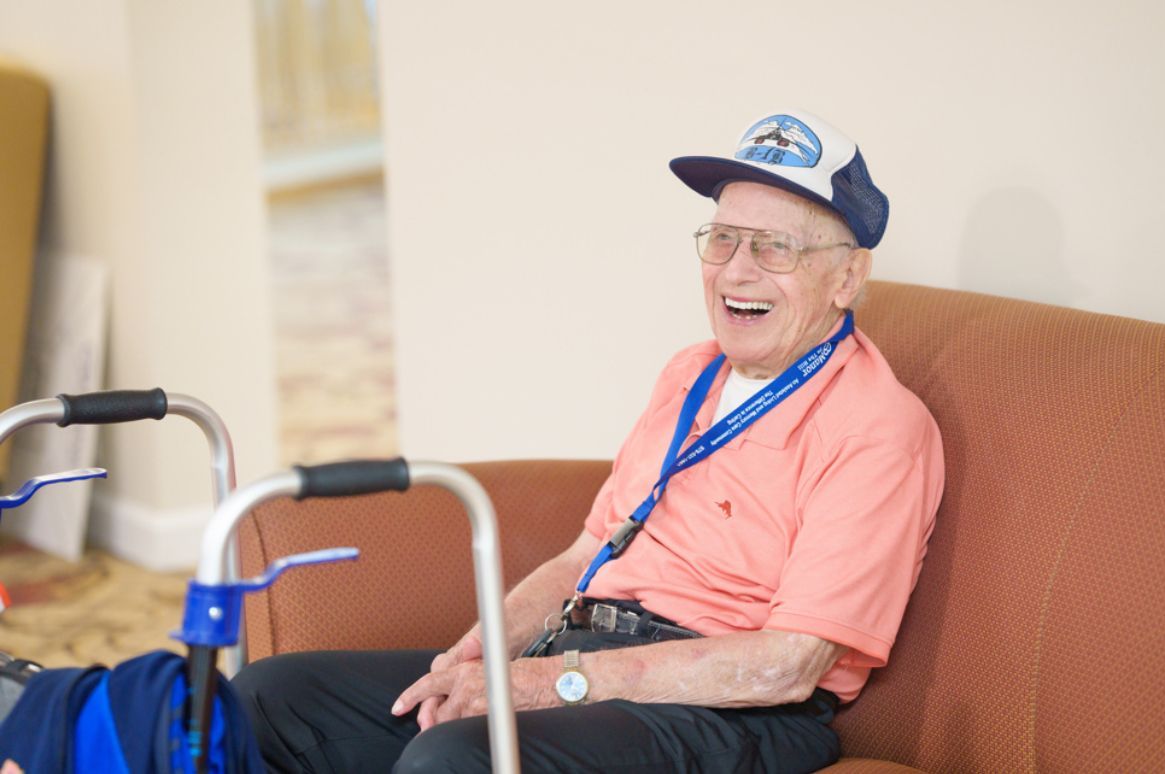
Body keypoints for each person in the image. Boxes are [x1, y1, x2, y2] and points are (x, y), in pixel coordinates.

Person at [232, 109, 944, 773]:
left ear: (846, 276)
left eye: (774, 247)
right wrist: (474, 655)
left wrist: (545, 685)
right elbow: (587, 553)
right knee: (269, 699)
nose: (736, 270)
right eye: (723, 238)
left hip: (730, 709)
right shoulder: (691, 373)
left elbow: (789, 663)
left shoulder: (879, 427)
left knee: (456, 759)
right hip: (585, 652)